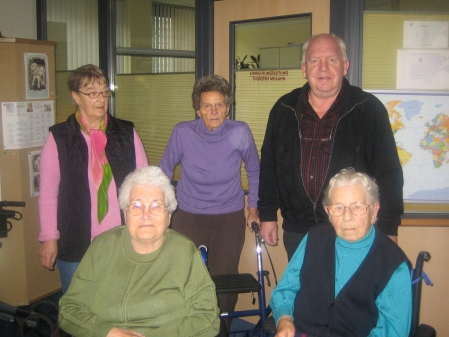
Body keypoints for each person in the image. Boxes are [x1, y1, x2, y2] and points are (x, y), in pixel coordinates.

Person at [258, 33, 403, 260]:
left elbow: (389, 173)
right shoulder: (283, 109)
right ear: (304, 68)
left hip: (354, 229)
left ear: (345, 66)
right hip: (298, 231)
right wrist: (267, 214)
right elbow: (268, 166)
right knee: (305, 294)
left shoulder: (369, 110)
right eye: (315, 60)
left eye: (332, 60)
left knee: (351, 295)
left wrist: (388, 228)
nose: (323, 68)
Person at [58, 166, 220, 337]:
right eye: (136, 205)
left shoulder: (184, 252)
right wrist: (109, 332)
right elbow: (69, 309)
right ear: (125, 214)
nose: (146, 214)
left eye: (156, 206)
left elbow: (207, 318)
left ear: (169, 217)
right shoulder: (103, 246)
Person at [159, 74, 260, 335]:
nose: (213, 111)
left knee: (223, 276)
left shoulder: (240, 132)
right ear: (198, 109)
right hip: (188, 214)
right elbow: (164, 170)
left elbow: (255, 170)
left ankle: (221, 328)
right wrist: (160, 205)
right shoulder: (183, 132)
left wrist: (253, 208)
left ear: (227, 108)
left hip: (228, 216)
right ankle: (186, 327)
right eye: (207, 105)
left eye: (219, 105)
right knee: (184, 273)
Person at [38, 64, 148, 293]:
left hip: (121, 238)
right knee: (78, 307)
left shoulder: (125, 133)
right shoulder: (60, 137)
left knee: (120, 301)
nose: (101, 99)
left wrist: (143, 229)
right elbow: (48, 193)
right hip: (75, 239)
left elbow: (143, 183)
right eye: (92, 93)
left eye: (104, 92)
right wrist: (49, 238)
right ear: (76, 97)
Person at [270, 168, 412, 337]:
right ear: (328, 212)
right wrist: (284, 319)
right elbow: (285, 289)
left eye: (357, 207)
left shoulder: (393, 265)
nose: (346, 217)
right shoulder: (314, 238)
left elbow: (393, 332)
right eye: (338, 208)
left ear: (374, 211)